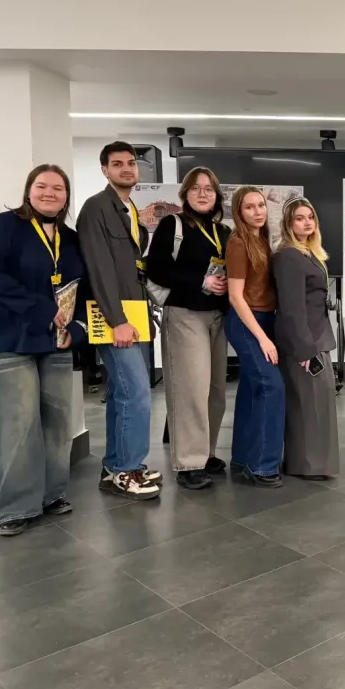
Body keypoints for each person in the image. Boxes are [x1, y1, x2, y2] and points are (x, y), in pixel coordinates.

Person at [0, 165, 88, 536]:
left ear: (66, 196)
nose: (49, 193)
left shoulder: (71, 239)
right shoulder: (0, 228)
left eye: (58, 188)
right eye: (42, 186)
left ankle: (51, 495)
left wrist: (78, 329)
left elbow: (83, 289)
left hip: (56, 341)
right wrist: (43, 310)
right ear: (28, 190)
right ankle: (14, 508)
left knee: (57, 422)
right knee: (17, 424)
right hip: (8, 339)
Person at [77, 141, 161, 501]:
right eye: (117, 164)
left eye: (131, 163)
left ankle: (116, 466)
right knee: (136, 392)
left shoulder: (129, 208)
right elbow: (99, 269)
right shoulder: (96, 207)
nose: (126, 169)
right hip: (117, 317)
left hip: (135, 311)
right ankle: (127, 470)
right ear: (104, 170)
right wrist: (117, 320)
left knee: (122, 393)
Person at [146, 167, 231, 490]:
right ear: (185, 194)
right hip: (185, 314)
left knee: (215, 391)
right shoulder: (173, 225)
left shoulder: (223, 231)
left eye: (209, 189)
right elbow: (156, 269)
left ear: (216, 195)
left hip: (217, 316)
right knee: (190, 389)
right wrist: (201, 282)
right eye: (196, 188)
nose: (202, 193)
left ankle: (206, 453)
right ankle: (189, 462)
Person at [273, 197, 340, 480]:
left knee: (318, 404)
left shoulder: (310, 253)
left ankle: (315, 463)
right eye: (299, 218)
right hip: (304, 343)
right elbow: (291, 308)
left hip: (317, 337)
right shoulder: (288, 256)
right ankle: (307, 465)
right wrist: (304, 349)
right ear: (289, 224)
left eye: (310, 217)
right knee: (308, 405)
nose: (307, 223)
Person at [225, 186, 284, 488]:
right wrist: (262, 338)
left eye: (261, 205)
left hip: (264, 318)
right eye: (249, 207)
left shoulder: (261, 240)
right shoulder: (238, 243)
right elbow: (235, 297)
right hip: (246, 322)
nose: (258, 211)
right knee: (271, 387)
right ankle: (262, 465)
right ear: (239, 211)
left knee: (251, 389)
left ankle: (242, 459)